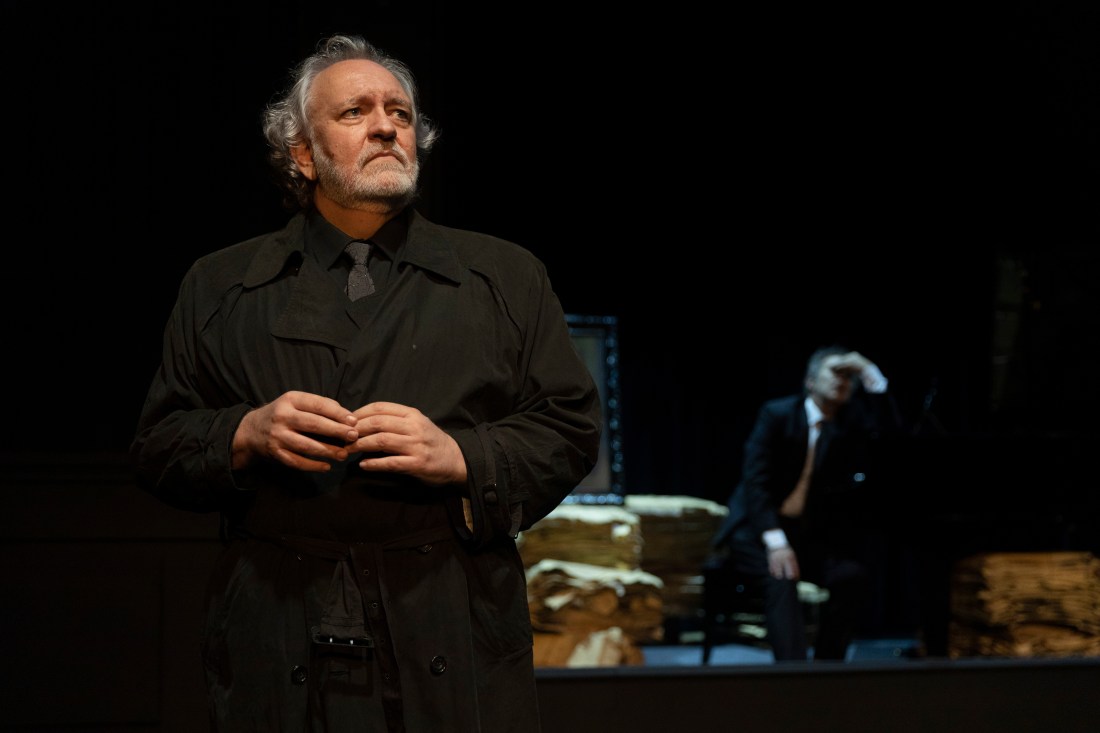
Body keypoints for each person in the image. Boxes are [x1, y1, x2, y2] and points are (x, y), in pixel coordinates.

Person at [130, 34, 601, 732]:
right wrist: (243, 434)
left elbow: (570, 425)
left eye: (400, 113)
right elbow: (158, 444)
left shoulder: (504, 276)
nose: (386, 126)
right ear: (302, 153)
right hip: (280, 615)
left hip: (451, 612)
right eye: (355, 112)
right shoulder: (222, 284)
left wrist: (463, 455)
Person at [709, 346, 903, 661]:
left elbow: (892, 438)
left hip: (803, 534)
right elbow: (755, 483)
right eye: (835, 373)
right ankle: (794, 672)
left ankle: (826, 666)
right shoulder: (778, 414)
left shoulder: (846, 425)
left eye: (849, 377)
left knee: (851, 577)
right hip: (756, 531)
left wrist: (870, 371)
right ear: (810, 382)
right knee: (783, 575)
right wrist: (776, 542)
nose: (843, 381)